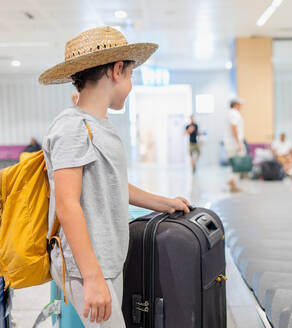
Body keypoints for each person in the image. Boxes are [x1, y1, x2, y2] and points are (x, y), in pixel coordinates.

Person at [38, 26, 190, 327]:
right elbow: (68, 204)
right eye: (132, 75)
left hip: (105, 259)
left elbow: (113, 184)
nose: (131, 84)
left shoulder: (98, 124)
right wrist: (92, 277)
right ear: (117, 70)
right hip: (87, 267)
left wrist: (163, 202)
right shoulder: (72, 127)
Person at [223, 99, 245, 192]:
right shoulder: (234, 113)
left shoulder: (230, 113)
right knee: (239, 163)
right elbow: (234, 128)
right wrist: (239, 142)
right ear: (236, 105)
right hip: (234, 143)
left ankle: (232, 182)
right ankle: (232, 181)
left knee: (234, 164)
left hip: (231, 143)